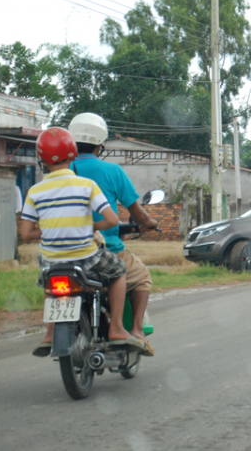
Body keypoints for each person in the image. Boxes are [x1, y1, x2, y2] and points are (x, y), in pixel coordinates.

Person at [20, 127, 145, 356]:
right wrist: (88, 227)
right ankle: (117, 328)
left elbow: (26, 234)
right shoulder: (86, 186)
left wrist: (50, 229)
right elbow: (111, 220)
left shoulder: (35, 191)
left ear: (42, 159)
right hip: (86, 257)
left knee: (50, 283)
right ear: (72, 155)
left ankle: (49, 333)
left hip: (52, 261)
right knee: (119, 272)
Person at [68, 113, 157, 354]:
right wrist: (148, 222)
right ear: (100, 144)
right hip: (102, 250)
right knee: (142, 277)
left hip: (65, 253)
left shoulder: (61, 171)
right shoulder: (112, 171)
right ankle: (136, 330)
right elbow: (137, 213)